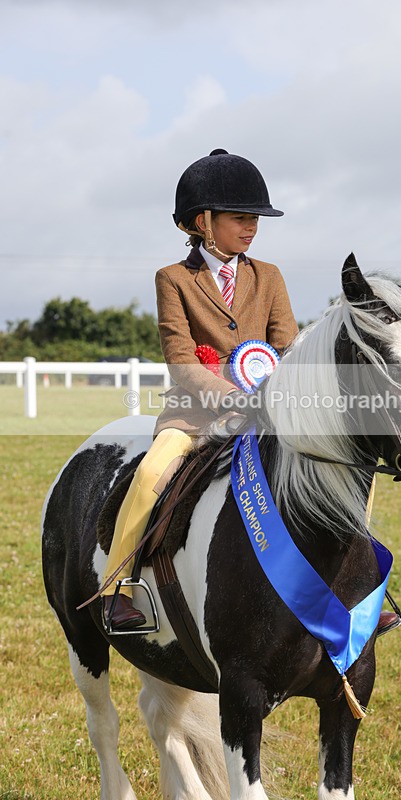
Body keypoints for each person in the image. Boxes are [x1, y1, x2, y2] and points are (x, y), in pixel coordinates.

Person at [102, 148, 299, 630]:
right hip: (194, 416)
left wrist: (271, 401)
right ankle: (118, 589)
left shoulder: (269, 276)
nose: (251, 227)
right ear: (203, 221)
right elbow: (181, 361)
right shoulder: (173, 279)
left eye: (256, 218)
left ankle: (355, 589)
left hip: (268, 414)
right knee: (150, 475)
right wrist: (234, 399)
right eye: (240, 217)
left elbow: (287, 347)